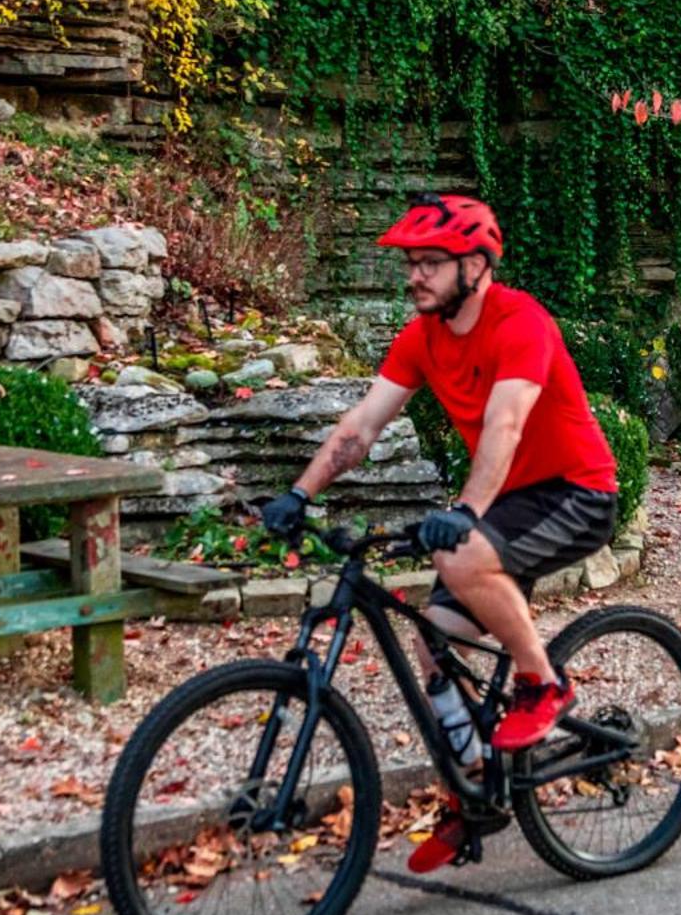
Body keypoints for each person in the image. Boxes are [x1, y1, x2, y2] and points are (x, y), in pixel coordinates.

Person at [260, 193, 619, 870]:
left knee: (462, 557)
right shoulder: (422, 337)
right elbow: (360, 427)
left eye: (431, 263)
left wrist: (468, 510)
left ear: (477, 266)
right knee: (433, 640)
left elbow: (506, 424)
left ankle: (543, 683)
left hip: (577, 492)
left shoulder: (522, 322)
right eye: (411, 263)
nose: (415, 275)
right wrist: (299, 491)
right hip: (511, 500)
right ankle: (478, 790)